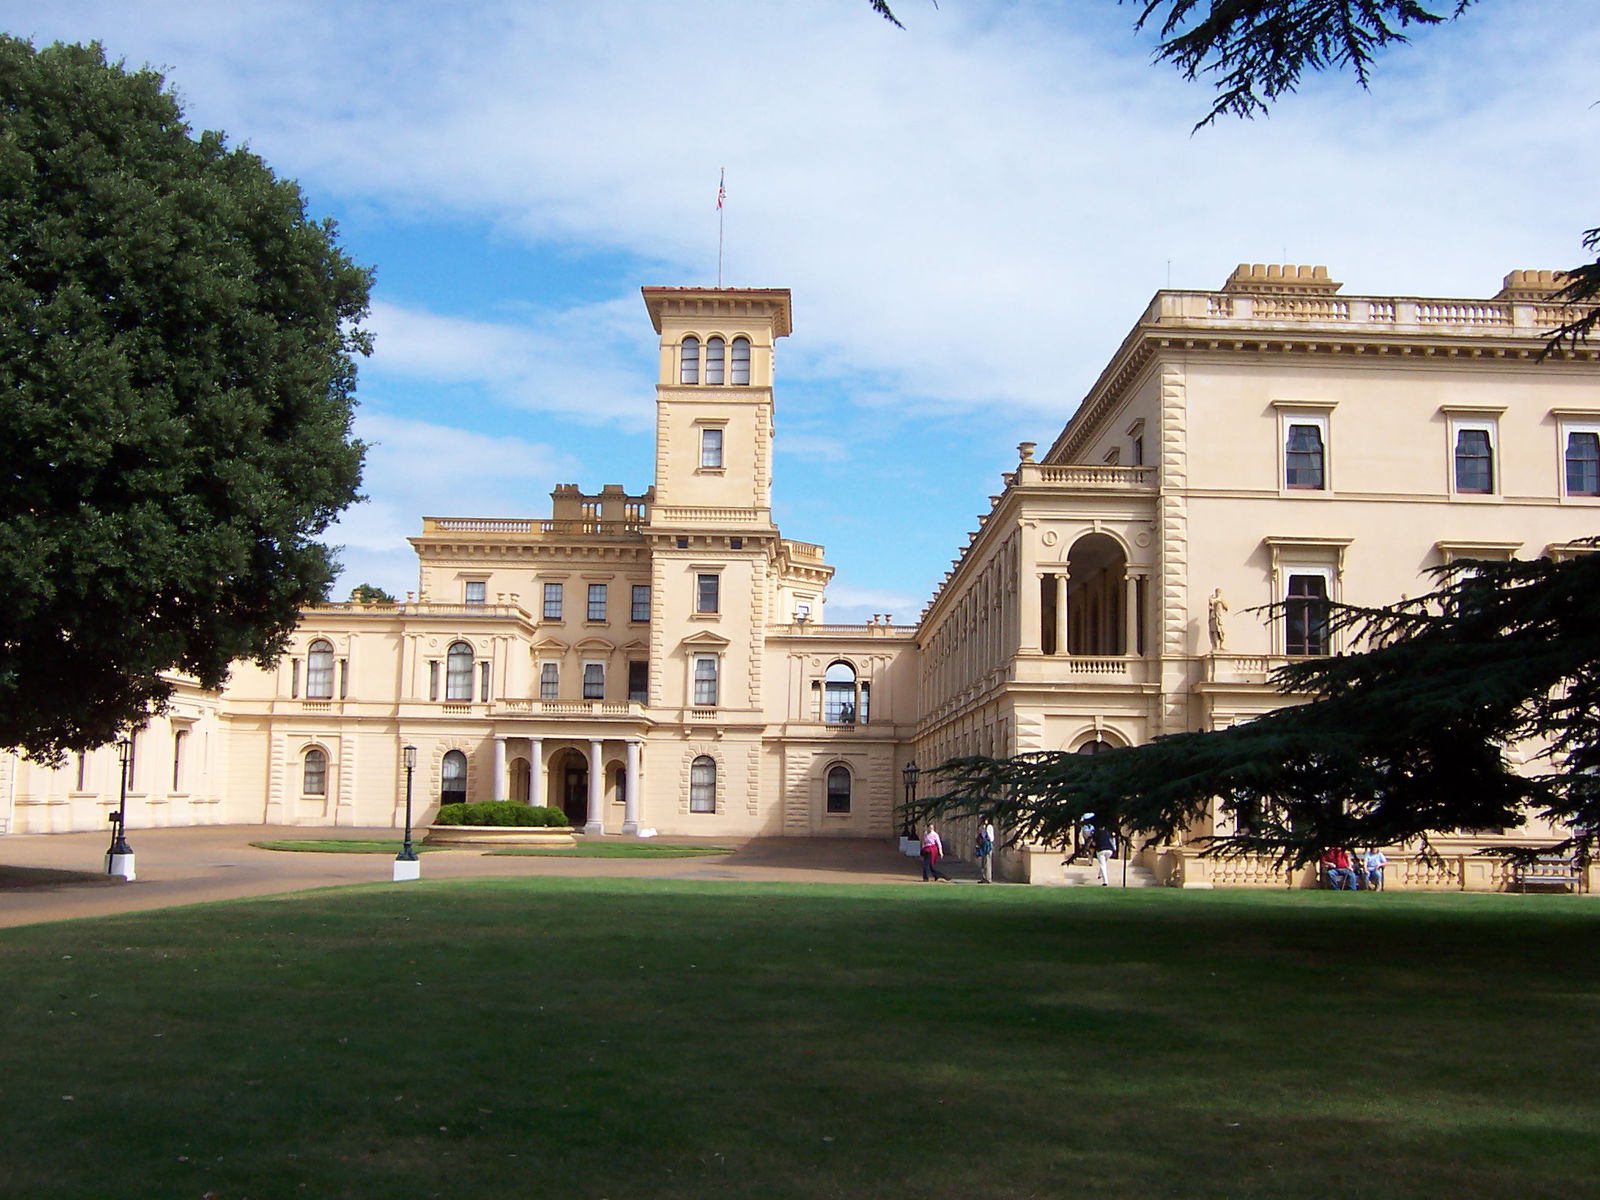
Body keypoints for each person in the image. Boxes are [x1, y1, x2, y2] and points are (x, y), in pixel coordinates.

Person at [976, 818, 996, 883]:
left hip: (987, 846)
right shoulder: (983, 827)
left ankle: (988, 878)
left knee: (987, 862)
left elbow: (990, 837)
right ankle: (983, 877)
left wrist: (985, 836)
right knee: (983, 863)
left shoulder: (989, 827)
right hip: (983, 846)